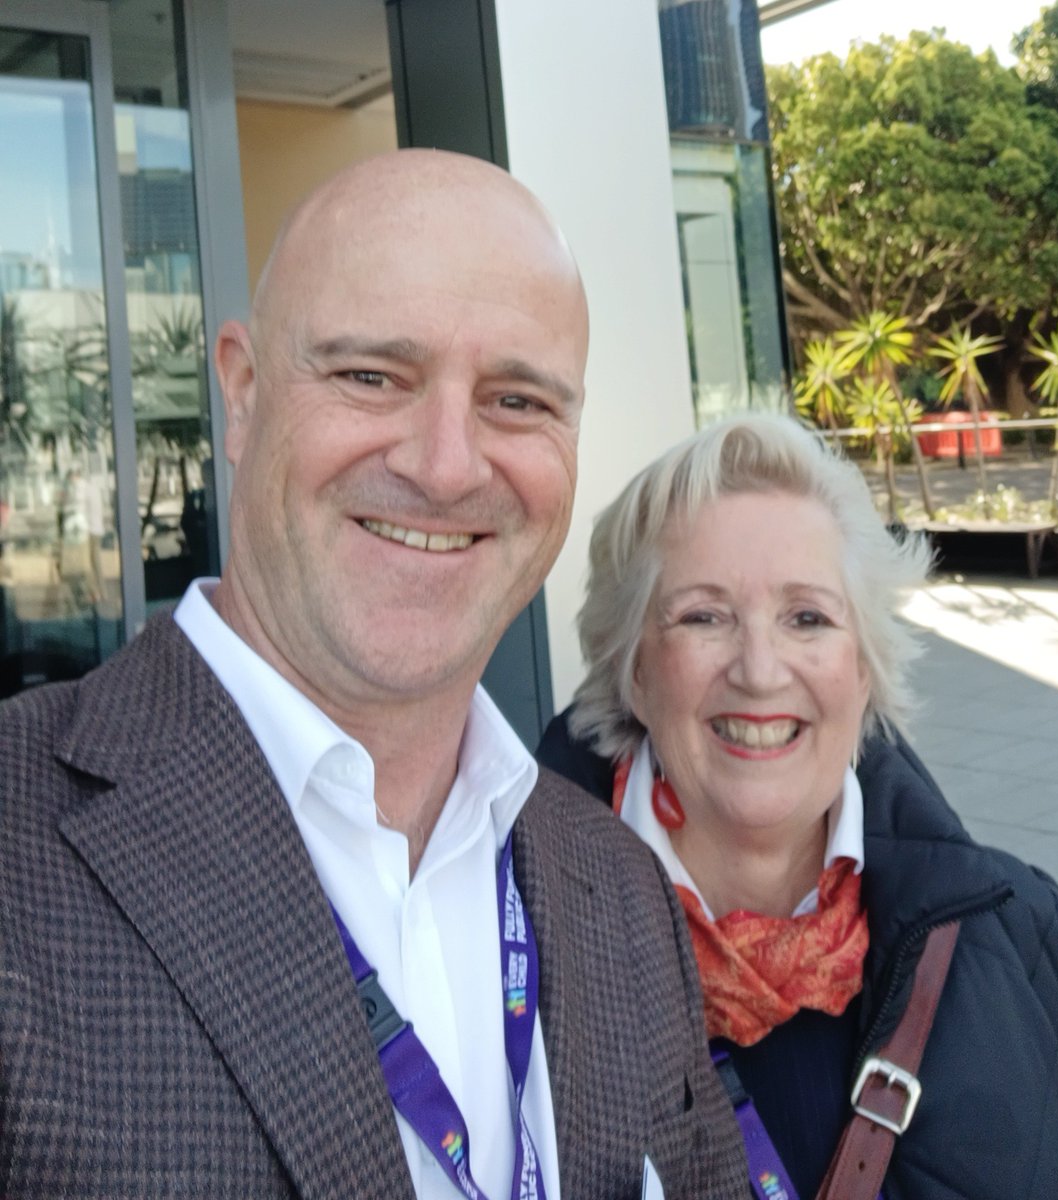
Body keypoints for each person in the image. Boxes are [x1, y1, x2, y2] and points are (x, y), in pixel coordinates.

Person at [0, 151, 750, 1199]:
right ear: (243, 391)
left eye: (518, 400)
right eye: (371, 377)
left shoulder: (620, 891)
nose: (445, 466)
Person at [538, 414, 1058, 1200]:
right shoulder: (513, 962)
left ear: (864, 669)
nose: (761, 671)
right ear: (634, 670)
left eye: (808, 617)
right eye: (704, 616)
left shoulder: (1023, 935)